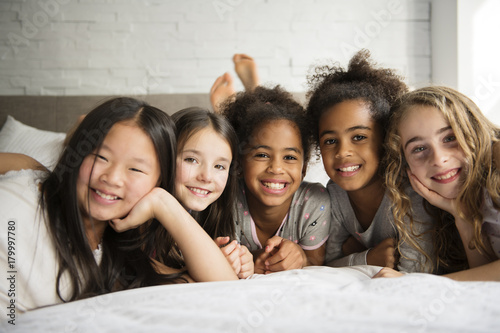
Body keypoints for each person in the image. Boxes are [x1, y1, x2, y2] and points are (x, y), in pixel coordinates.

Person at [0, 97, 237, 313]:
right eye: (101, 157)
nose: (112, 178)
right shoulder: (29, 172)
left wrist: (164, 203)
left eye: (135, 169)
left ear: (159, 181)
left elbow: (227, 290)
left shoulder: (120, 262)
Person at [305, 49, 436, 273]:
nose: (343, 152)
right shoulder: (335, 194)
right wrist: (368, 257)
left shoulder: (409, 191)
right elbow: (327, 265)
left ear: (385, 139)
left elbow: (414, 273)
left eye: (359, 137)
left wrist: (351, 253)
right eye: (330, 140)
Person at [374, 86, 500, 281]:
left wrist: (417, 283)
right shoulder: (463, 207)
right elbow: (484, 283)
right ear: (406, 166)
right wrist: (462, 216)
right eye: (419, 148)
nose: (438, 159)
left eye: (450, 138)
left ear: (474, 130)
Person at [219, 84, 331, 274]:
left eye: (289, 157)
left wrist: (301, 257)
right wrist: (252, 259)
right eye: (262, 155)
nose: (276, 168)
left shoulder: (314, 202)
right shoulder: (225, 200)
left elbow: (316, 264)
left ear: (303, 169)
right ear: (238, 164)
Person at [169, 107, 254, 278]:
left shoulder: (215, 217)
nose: (206, 177)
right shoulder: (147, 216)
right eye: (191, 159)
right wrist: (212, 265)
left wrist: (239, 261)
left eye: (219, 166)